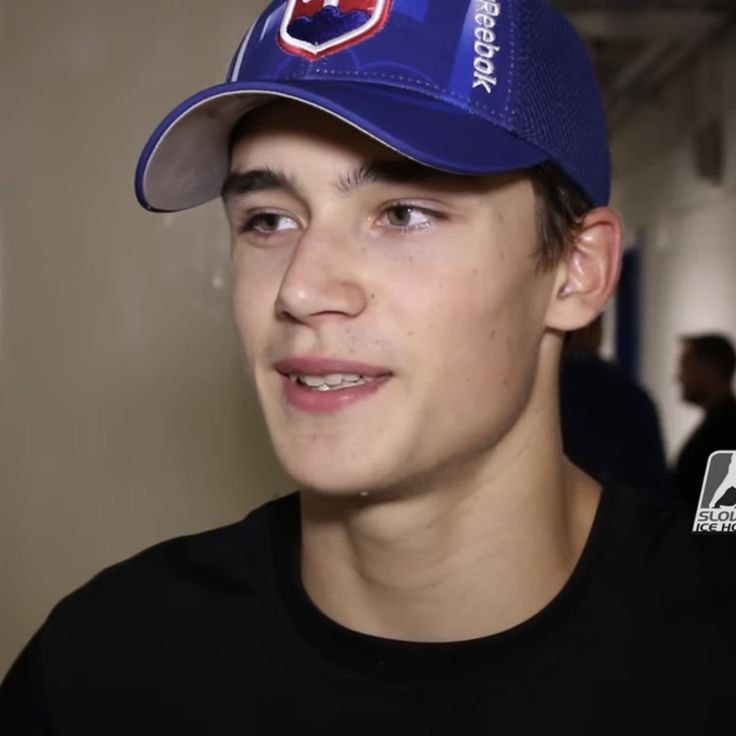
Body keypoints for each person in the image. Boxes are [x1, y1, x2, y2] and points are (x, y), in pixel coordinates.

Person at [1, 1, 734, 733]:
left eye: (404, 213)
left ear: (577, 272)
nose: (301, 289)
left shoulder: (709, 643)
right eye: (268, 220)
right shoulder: (105, 673)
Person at [559, 314, 669, 493]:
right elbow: (653, 481)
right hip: (619, 510)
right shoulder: (630, 397)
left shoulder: (542, 394)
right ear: (597, 333)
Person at [673, 333, 736, 505]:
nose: (678, 378)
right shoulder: (719, 427)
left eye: (686, 368)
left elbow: (721, 516)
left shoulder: (724, 434)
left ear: (710, 370)